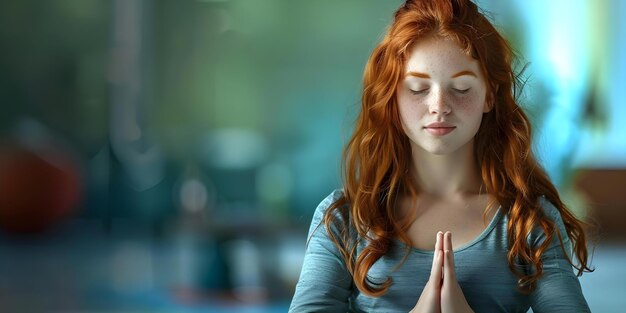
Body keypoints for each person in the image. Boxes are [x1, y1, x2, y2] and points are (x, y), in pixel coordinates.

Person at [289, 0, 594, 312]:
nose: (439, 105)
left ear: (489, 95)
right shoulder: (344, 218)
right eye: (418, 88)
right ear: (392, 97)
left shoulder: (528, 221)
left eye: (461, 88)